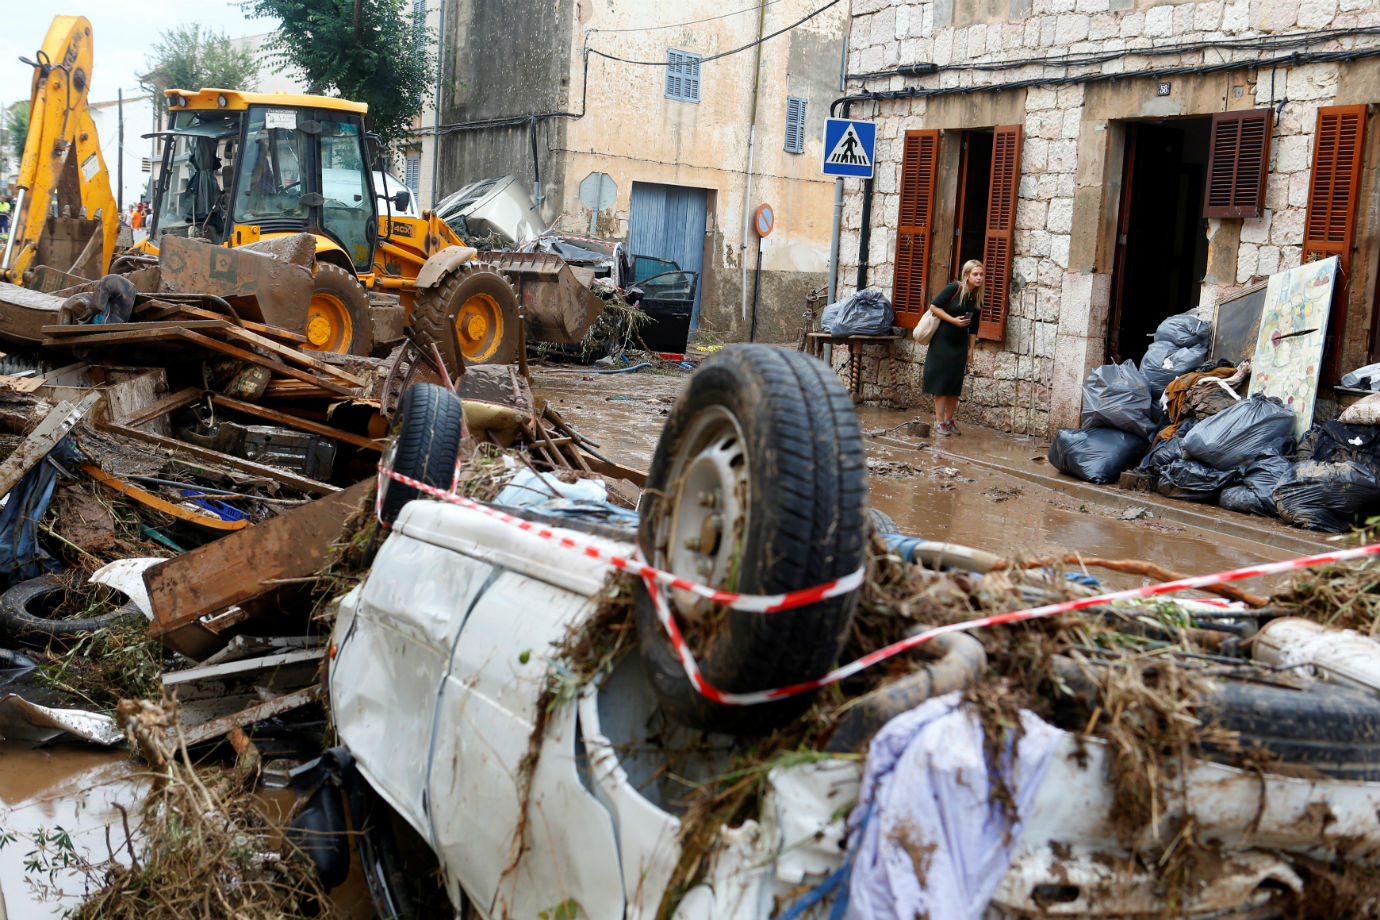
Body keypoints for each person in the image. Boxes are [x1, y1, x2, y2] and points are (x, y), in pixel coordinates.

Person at [922, 259, 984, 436]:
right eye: (975, 274)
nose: (979, 278)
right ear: (967, 275)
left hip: (960, 345)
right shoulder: (953, 288)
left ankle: (949, 421)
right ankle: (939, 422)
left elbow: (973, 327)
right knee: (941, 384)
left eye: (981, 274)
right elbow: (934, 306)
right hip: (942, 343)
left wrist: (971, 350)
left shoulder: (976, 297)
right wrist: (953, 320)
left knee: (954, 385)